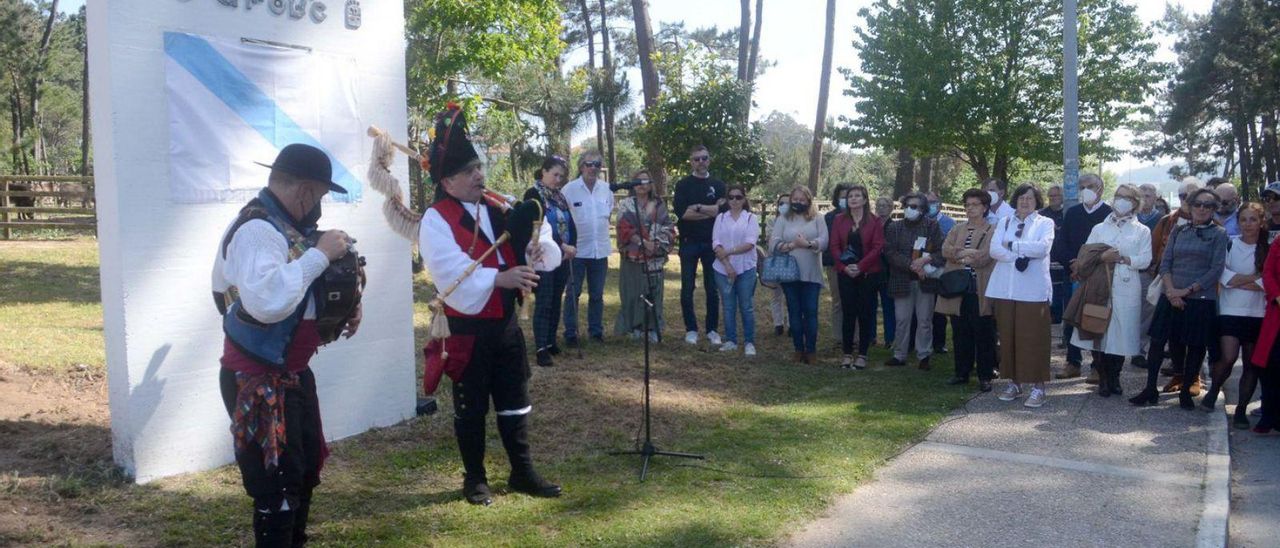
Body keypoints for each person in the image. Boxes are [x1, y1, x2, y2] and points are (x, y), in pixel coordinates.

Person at [211, 143, 360, 546]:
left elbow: (299, 296)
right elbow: (267, 302)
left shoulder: (281, 228)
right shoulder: (258, 230)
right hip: (257, 380)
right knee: (275, 487)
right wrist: (320, 255)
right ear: (305, 192)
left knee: (301, 470)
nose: (320, 206)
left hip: (287, 373)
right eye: (321, 196)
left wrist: (343, 311)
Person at [417, 107, 563, 505]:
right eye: (468, 171)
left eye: (478, 166)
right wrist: (499, 277)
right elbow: (449, 271)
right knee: (471, 406)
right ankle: (475, 478)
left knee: (515, 400)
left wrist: (536, 247)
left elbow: (539, 235)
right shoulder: (435, 218)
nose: (479, 175)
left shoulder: (500, 205)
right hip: (467, 327)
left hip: (505, 322)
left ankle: (522, 472)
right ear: (447, 181)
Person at [1130, 188, 1228, 409]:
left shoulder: (1219, 234)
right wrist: (1172, 290)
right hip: (1171, 293)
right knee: (1158, 342)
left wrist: (1186, 291)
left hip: (1200, 297)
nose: (1202, 208)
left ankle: (1186, 391)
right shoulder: (1179, 230)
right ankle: (1150, 388)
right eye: (1198, 204)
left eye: (1208, 205)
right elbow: (1166, 263)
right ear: (1190, 206)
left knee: (1194, 346)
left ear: (1214, 210)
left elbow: (1216, 269)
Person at [1069, 184, 1152, 397]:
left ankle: (1115, 376)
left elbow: (1146, 259)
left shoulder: (1142, 230)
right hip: (1099, 284)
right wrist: (1102, 257)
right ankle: (1103, 377)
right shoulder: (1100, 228)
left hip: (1126, 285)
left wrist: (1124, 259)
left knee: (1122, 333)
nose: (1120, 201)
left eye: (1126, 197)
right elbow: (1085, 254)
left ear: (1135, 203)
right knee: (1098, 329)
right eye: (1118, 196)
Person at [988, 184, 1056, 408]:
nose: (1025, 202)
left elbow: (1042, 249)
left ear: (1037, 201)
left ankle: (1038, 386)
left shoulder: (1045, 223)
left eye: (1030, 198)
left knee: (1033, 339)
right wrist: (1017, 255)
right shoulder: (1005, 221)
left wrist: (1012, 245)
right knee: (1008, 337)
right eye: (1021, 198)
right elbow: (994, 250)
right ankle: (1014, 383)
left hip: (1033, 291)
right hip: (1006, 289)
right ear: (1015, 200)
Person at [1202, 203, 1268, 412]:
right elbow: (1224, 278)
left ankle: (1241, 409)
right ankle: (1214, 391)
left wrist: (1245, 281)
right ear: (1238, 222)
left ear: (1261, 222)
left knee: (1251, 365)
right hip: (1230, 311)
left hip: (1258, 313)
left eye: (1253, 219)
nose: (1248, 224)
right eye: (1243, 219)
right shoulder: (1230, 244)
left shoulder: (1269, 248)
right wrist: (1254, 279)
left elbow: (1268, 283)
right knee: (1228, 357)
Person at [938, 189, 997, 391]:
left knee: (984, 332)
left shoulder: (993, 229)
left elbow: (987, 256)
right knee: (960, 331)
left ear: (984, 207)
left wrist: (964, 255)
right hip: (958, 289)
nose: (970, 208)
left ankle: (985, 375)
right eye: (967, 205)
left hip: (980, 288)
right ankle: (961, 372)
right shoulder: (957, 229)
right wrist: (965, 254)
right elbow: (945, 249)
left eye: (975, 204)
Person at [1058, 173, 1113, 381]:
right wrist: (1073, 264)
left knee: (1095, 318)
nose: (1086, 190)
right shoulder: (1072, 213)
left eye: (1090, 186)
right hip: (1073, 275)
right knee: (1071, 318)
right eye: (1082, 187)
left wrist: (1086, 265)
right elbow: (1061, 243)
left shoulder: (1108, 214)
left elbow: (1108, 247)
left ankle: (1097, 365)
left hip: (1098, 276)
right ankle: (1072, 362)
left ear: (1101, 188)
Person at [882, 193, 945, 370]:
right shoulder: (894, 227)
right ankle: (899, 354)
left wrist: (924, 262)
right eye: (908, 205)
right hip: (902, 279)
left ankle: (924, 354)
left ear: (923, 209)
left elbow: (941, 252)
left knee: (925, 320)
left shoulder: (932, 226)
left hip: (925, 280)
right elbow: (890, 253)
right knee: (902, 319)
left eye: (916, 206)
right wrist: (912, 265)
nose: (911, 208)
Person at [524, 156, 576, 367]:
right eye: (555, 174)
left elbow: (569, 223)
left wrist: (572, 246)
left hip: (563, 257)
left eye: (561, 176)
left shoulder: (560, 197)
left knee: (556, 299)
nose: (558, 179)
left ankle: (551, 340)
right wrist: (562, 245)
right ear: (543, 171)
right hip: (543, 256)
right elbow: (537, 227)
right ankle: (541, 347)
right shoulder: (533, 194)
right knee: (544, 301)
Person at [673, 145, 726, 346]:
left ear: (709, 160)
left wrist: (698, 207)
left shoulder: (719, 185)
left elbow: (722, 212)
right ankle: (691, 329)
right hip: (688, 243)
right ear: (691, 162)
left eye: (704, 158)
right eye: (696, 159)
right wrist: (710, 210)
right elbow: (683, 213)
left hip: (712, 244)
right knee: (687, 288)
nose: (700, 162)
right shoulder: (683, 185)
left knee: (712, 288)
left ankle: (712, 329)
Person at [770, 186, 829, 363]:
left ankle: (811, 350)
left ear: (809, 201)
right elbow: (773, 242)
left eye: (802, 200)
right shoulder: (783, 218)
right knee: (794, 312)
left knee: (810, 312)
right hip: (789, 273)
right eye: (795, 199)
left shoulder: (818, 218)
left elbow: (824, 241)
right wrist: (790, 246)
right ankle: (798, 348)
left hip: (811, 273)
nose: (798, 202)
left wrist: (808, 244)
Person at [561, 151, 614, 346]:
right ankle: (571, 333)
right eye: (589, 164)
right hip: (577, 251)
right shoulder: (569, 190)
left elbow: (607, 214)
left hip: (599, 250)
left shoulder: (606, 189)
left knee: (597, 294)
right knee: (573, 293)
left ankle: (596, 331)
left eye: (597, 164)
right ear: (581, 166)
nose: (593, 168)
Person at [829, 184, 884, 369]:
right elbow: (835, 246)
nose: (852, 198)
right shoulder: (838, 220)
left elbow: (877, 247)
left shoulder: (874, 221)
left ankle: (862, 353)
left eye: (857, 195)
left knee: (865, 314)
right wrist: (844, 268)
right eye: (850, 196)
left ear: (865, 199)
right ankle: (846, 353)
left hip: (868, 273)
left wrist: (860, 267)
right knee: (848, 313)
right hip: (846, 274)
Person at [614, 170, 673, 342]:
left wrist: (655, 244)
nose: (642, 185)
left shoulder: (658, 204)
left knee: (653, 293)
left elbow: (668, 226)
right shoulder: (626, 204)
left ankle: (653, 327)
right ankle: (634, 327)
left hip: (654, 257)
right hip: (633, 257)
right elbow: (623, 227)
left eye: (646, 181)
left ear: (651, 184)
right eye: (638, 181)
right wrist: (642, 243)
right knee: (633, 293)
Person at [712, 186, 760, 356]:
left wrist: (729, 251)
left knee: (746, 306)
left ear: (744, 199)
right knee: (728, 306)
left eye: (738, 197)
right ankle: (731, 340)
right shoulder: (721, 218)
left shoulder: (751, 219)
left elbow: (750, 243)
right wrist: (727, 264)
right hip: (722, 268)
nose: (734, 201)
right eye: (731, 197)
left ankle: (749, 342)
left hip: (746, 268)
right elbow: (716, 242)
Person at [1247, 232, 1280, 433]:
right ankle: (1269, 416)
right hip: (1276, 312)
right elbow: (1268, 273)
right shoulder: (1278, 242)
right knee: (1270, 366)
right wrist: (1277, 295)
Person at [925, 191, 955, 355]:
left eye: (933, 202)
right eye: (927, 202)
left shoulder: (949, 223)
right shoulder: (920, 222)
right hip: (921, 271)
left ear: (940, 204)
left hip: (941, 271)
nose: (930, 205)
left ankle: (939, 343)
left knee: (939, 310)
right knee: (922, 310)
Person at [824, 184, 851, 345]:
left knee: (854, 301)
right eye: (842, 196)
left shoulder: (861, 216)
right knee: (838, 301)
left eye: (849, 195)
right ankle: (838, 337)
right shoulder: (829, 217)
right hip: (835, 265)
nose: (846, 199)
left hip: (856, 266)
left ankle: (854, 337)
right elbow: (828, 243)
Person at [1043, 185, 1068, 325]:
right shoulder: (1042, 214)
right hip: (1047, 258)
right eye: (1050, 196)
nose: (1052, 198)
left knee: (1060, 292)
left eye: (1056, 196)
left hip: (1061, 259)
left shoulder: (1067, 213)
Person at [874, 196, 898, 347]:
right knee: (870, 306)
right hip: (871, 270)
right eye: (879, 206)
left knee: (888, 306)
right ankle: (871, 336)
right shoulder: (871, 225)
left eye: (885, 206)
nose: (881, 208)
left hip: (888, 271)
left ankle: (890, 338)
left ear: (891, 208)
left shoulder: (894, 227)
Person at [767, 194, 791, 336]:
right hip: (775, 262)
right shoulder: (772, 221)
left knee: (790, 295)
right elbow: (771, 241)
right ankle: (778, 324)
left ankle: (791, 324)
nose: (784, 206)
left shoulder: (796, 222)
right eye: (781, 203)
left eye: (787, 203)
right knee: (776, 294)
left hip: (791, 263)